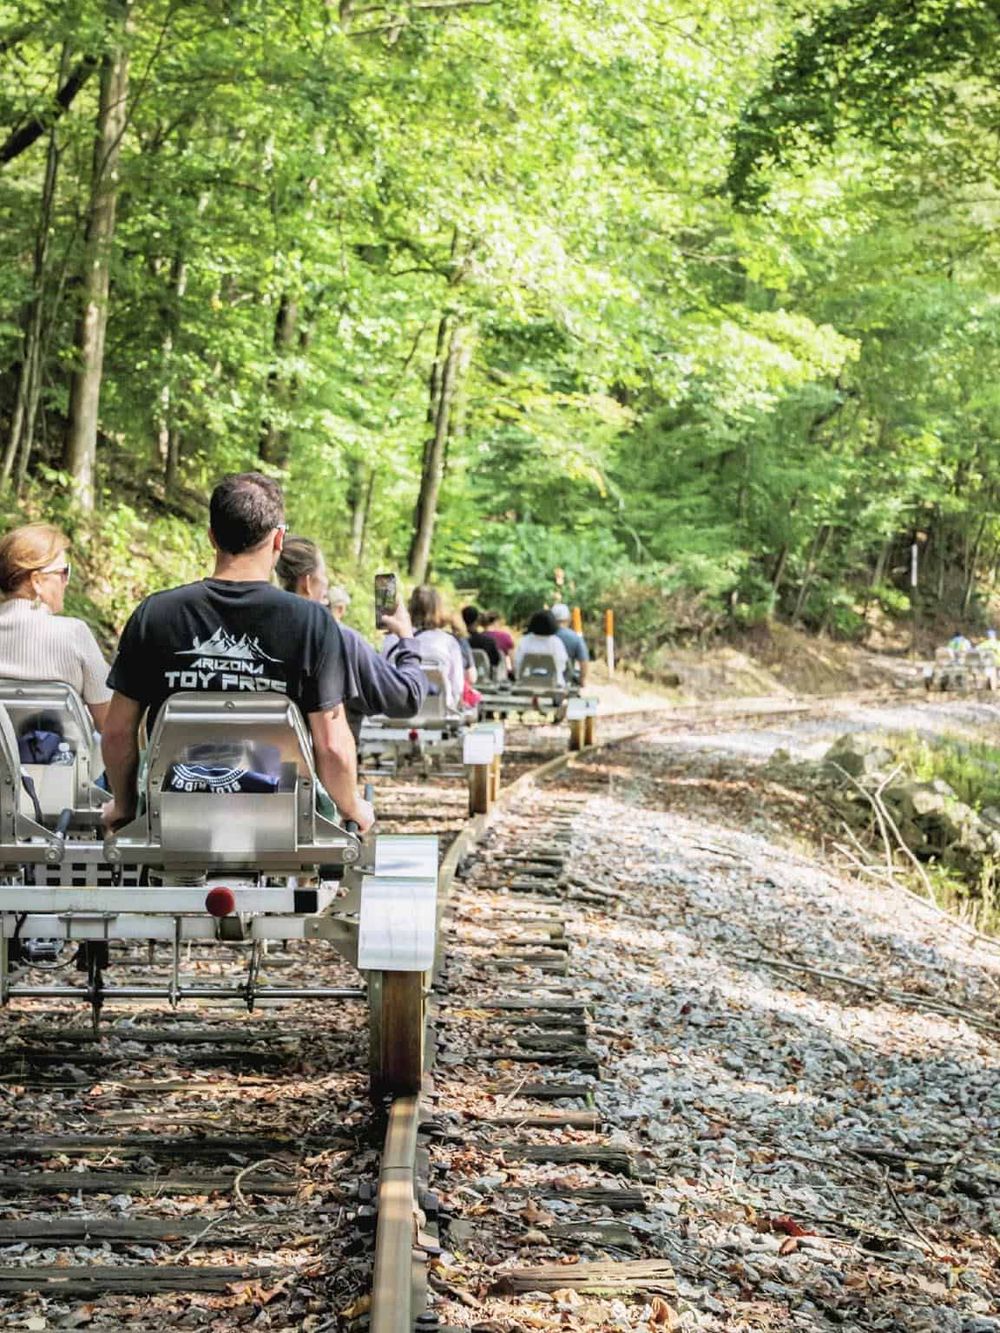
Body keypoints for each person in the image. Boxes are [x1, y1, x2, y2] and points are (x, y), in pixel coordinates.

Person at [101, 473, 373, 832]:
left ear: (212, 537)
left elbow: (118, 732)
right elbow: (332, 745)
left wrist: (123, 806)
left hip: (173, 816)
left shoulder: (155, 615)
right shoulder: (312, 623)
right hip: (283, 819)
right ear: (279, 539)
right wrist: (354, 806)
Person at [275, 536, 427, 737]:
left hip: (260, 764)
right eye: (324, 575)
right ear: (308, 583)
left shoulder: (253, 632)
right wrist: (407, 639)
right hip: (324, 765)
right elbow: (407, 698)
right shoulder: (341, 641)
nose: (327, 585)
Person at [0, 522, 112, 730]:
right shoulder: (73, 634)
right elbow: (108, 723)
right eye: (63, 572)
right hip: (60, 759)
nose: (66, 581)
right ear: (37, 581)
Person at [388, 585, 464, 710]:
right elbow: (457, 685)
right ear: (438, 609)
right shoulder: (448, 642)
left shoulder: (392, 639)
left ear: (410, 607)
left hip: (396, 709)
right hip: (438, 710)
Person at [514, 609, 569, 686]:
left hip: (527, 683)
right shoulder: (556, 642)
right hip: (553, 684)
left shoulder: (524, 641)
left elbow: (517, 663)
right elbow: (562, 665)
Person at [550, 602, 589, 687]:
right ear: (568, 619)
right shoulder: (575, 638)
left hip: (544, 679)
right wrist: (582, 680)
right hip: (565, 680)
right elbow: (584, 662)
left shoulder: (543, 636)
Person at [461, 605, 502, 673]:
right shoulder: (488, 641)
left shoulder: (455, 641)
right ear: (477, 620)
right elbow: (495, 662)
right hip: (484, 679)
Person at [481, 609, 515, 676]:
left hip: (482, 675)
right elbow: (513, 662)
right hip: (500, 676)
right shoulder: (505, 637)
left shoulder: (477, 638)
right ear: (496, 622)